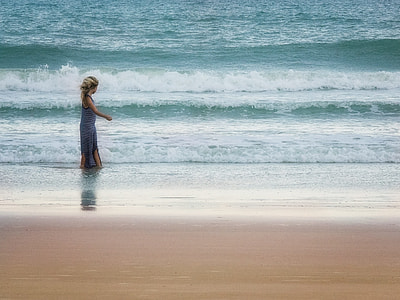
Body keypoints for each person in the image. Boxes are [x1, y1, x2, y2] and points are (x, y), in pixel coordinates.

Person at [79, 76, 112, 168]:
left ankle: (99, 167)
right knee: (86, 150)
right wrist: (106, 117)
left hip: (91, 127)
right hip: (86, 127)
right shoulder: (87, 98)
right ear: (93, 88)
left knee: (94, 148)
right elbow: (95, 111)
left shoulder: (88, 97)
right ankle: (82, 168)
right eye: (97, 87)